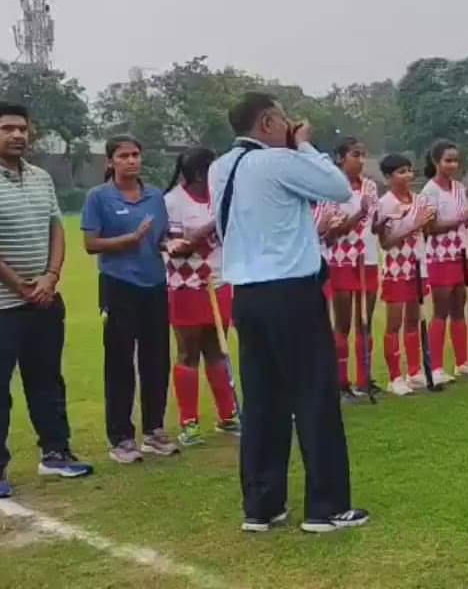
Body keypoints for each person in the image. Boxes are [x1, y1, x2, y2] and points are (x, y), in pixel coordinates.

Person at [210, 91, 368, 533]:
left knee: (263, 402)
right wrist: (303, 144)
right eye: (281, 120)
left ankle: (262, 506)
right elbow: (339, 189)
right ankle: (328, 506)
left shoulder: (220, 167)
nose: (289, 125)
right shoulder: (276, 160)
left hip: (247, 292)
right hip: (290, 291)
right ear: (266, 123)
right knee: (315, 395)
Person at [0, 101, 92, 501]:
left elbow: (56, 228)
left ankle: (56, 452)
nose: (17, 135)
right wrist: (19, 285)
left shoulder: (41, 177)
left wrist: (50, 277)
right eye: (7, 128)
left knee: (47, 379)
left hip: (44, 301)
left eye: (23, 129)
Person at [82, 136, 178, 462]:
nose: (131, 161)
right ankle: (121, 437)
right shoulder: (99, 197)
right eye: (123, 156)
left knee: (157, 360)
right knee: (121, 362)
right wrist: (130, 239)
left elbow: (161, 236)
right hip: (118, 285)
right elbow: (91, 244)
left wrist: (168, 244)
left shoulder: (154, 196)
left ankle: (154, 431)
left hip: (154, 284)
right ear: (111, 162)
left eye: (136, 154)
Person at [162, 148, 241, 446]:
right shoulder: (173, 202)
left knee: (218, 350)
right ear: (198, 173)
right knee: (188, 352)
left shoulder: (221, 198)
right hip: (187, 286)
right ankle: (189, 423)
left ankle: (227, 416)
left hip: (220, 283)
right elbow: (176, 246)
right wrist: (210, 226)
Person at [315, 138, 379, 400]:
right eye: (356, 154)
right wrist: (358, 214)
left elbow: (375, 223)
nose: (361, 160)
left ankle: (366, 379)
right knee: (343, 324)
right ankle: (341, 382)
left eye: (364, 155)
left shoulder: (371, 186)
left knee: (365, 321)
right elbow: (329, 233)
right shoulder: (329, 188)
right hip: (341, 260)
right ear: (341, 158)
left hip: (368, 259)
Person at [421, 140, 468, 380]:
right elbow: (430, 227)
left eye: (456, 160)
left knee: (459, 307)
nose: (453, 165)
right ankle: (436, 367)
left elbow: (464, 219)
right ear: (436, 161)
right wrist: (463, 216)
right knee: (441, 310)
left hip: (460, 253)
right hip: (439, 256)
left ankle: (462, 362)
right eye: (448, 160)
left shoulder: (459, 188)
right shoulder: (429, 191)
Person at [374, 153, 435, 396]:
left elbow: (426, 232)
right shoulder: (384, 203)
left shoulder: (419, 200)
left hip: (418, 265)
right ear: (388, 177)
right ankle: (394, 377)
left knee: (414, 319)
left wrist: (427, 221)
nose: (407, 176)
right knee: (394, 322)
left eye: (409, 170)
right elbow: (386, 243)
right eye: (401, 172)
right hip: (396, 268)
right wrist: (413, 224)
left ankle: (414, 370)